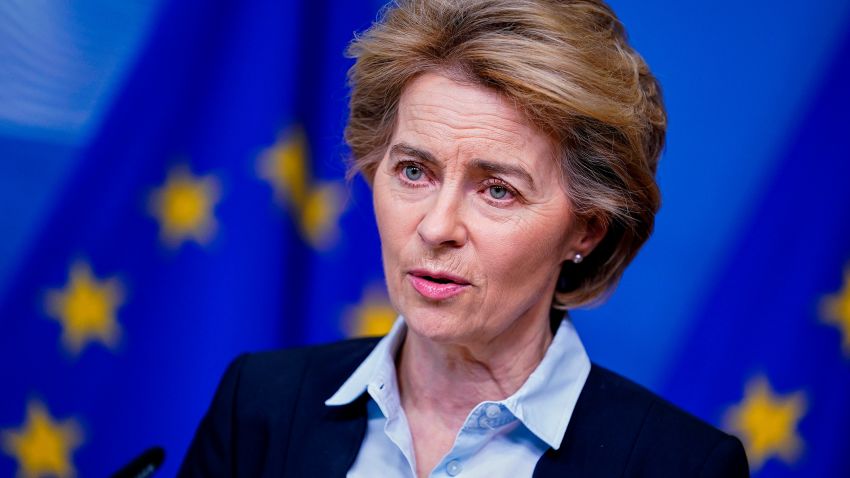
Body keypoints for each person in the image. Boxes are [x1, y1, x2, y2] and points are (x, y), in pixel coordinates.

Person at [179, 0, 750, 476]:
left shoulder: (680, 466)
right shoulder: (258, 405)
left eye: (497, 190)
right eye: (413, 171)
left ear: (587, 229)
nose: (436, 227)